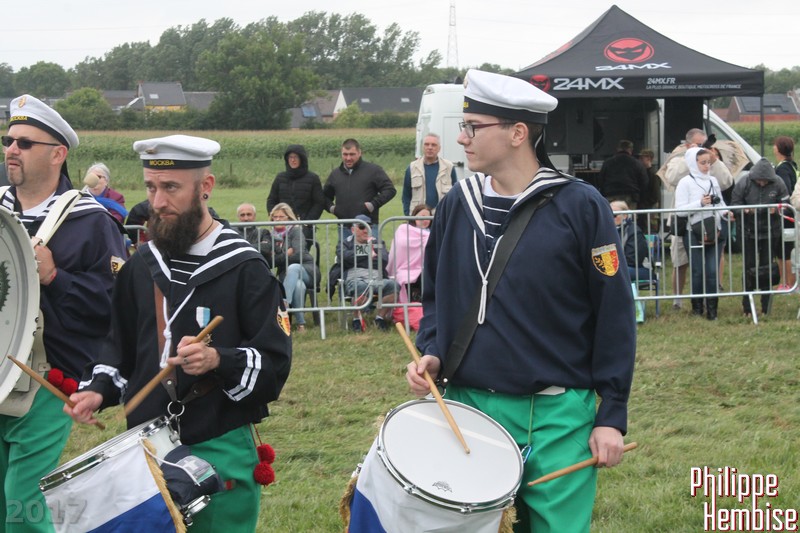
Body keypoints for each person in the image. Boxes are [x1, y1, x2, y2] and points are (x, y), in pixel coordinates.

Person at [405, 69, 635, 533]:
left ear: (517, 133)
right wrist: (431, 349)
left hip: (557, 416)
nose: (462, 138)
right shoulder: (456, 204)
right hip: (468, 408)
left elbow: (614, 313)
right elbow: (435, 298)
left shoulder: (579, 205)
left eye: (474, 127)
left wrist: (611, 413)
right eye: (463, 127)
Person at [65, 134, 292, 532]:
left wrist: (218, 359)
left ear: (206, 187)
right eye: (151, 187)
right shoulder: (141, 265)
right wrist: (97, 390)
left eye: (171, 187)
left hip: (220, 444)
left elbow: (274, 364)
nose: (157, 202)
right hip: (148, 452)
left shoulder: (244, 267)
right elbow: (119, 348)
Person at [0, 94, 126, 532]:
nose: (11, 149)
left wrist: (56, 277)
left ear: (58, 155)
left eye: (25, 143)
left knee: (23, 504)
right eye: (8, 140)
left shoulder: (91, 220)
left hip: (48, 378)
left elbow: (114, 306)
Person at [659, 128, 733, 309]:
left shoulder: (710, 161)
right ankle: (678, 299)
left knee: (710, 262)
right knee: (680, 260)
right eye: (698, 144)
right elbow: (672, 178)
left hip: (709, 220)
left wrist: (713, 160)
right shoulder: (678, 159)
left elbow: (726, 182)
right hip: (684, 220)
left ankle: (710, 295)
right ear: (687, 144)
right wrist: (690, 157)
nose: (702, 147)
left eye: (704, 144)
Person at [674, 147, 728, 320]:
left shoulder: (713, 180)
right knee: (697, 271)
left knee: (712, 271)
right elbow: (680, 210)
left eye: (709, 163)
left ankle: (712, 310)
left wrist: (726, 212)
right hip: (693, 231)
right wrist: (700, 203)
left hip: (714, 230)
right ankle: (697, 308)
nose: (706, 166)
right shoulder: (685, 182)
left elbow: (720, 204)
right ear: (693, 163)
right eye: (703, 163)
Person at [731, 158, 788, 316]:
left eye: (766, 181)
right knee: (748, 267)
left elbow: (786, 203)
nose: (762, 183)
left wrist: (777, 209)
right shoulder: (744, 182)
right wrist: (745, 210)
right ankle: (747, 307)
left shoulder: (778, 183)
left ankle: (766, 307)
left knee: (767, 268)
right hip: (748, 232)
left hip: (770, 232)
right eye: (759, 181)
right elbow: (734, 203)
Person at [337, 214, 400, 332]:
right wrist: (368, 252)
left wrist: (358, 258)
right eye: (362, 227)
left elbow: (383, 259)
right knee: (360, 287)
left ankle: (380, 318)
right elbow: (345, 258)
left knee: (393, 285)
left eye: (369, 227)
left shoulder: (378, 242)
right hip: (355, 279)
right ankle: (357, 319)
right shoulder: (345, 243)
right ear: (353, 230)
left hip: (377, 278)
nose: (366, 230)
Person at [323, 139, 396, 234]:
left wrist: (372, 205)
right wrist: (332, 208)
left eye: (352, 154)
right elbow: (324, 196)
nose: (348, 158)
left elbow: (389, 189)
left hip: (367, 227)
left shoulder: (373, 170)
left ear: (359, 153)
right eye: (345, 154)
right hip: (344, 228)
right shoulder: (335, 174)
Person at [268, 203, 320, 333]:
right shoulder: (270, 235)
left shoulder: (295, 230)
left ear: (289, 218)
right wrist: (287, 253)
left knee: (293, 267)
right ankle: (301, 324)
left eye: (281, 217)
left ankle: (284, 304)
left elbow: (299, 253)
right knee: (298, 285)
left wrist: (280, 257)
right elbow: (270, 261)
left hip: (307, 269)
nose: (278, 219)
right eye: (275, 217)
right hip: (285, 275)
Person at [266, 144, 325, 240]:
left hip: (304, 227)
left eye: (296, 157)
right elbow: (271, 200)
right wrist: (275, 217)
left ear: (302, 159)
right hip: (282, 227)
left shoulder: (313, 178)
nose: (293, 160)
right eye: (290, 157)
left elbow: (319, 203)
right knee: (280, 249)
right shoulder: (280, 178)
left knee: (299, 248)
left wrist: (307, 222)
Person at [387, 204, 432, 303]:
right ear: (415, 216)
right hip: (404, 268)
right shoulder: (404, 229)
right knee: (404, 277)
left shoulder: (433, 233)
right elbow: (400, 246)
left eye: (428, 217)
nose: (425, 220)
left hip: (425, 267)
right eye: (422, 216)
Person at [401, 133, 456, 215]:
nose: (430, 147)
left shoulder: (449, 167)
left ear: (439, 148)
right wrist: (408, 216)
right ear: (422, 147)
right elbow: (406, 196)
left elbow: (455, 195)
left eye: (433, 145)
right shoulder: (412, 168)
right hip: (418, 217)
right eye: (426, 144)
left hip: (442, 216)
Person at [598, 139, 649, 209]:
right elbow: (644, 182)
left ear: (618, 149)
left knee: (612, 215)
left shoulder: (607, 162)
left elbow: (600, 180)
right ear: (631, 150)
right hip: (630, 196)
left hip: (610, 195)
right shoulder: (637, 163)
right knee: (629, 215)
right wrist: (640, 197)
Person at [774, 136, 797, 290]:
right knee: (786, 250)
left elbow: (785, 189)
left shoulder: (782, 168)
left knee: (784, 251)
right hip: (791, 213)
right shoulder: (791, 165)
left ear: (779, 149)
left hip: (785, 214)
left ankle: (788, 283)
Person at [610, 200, 652, 284]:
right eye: (608, 214)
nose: (611, 217)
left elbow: (634, 260)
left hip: (640, 269)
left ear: (625, 215)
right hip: (619, 267)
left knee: (613, 272)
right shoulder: (608, 230)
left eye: (614, 215)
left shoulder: (634, 231)